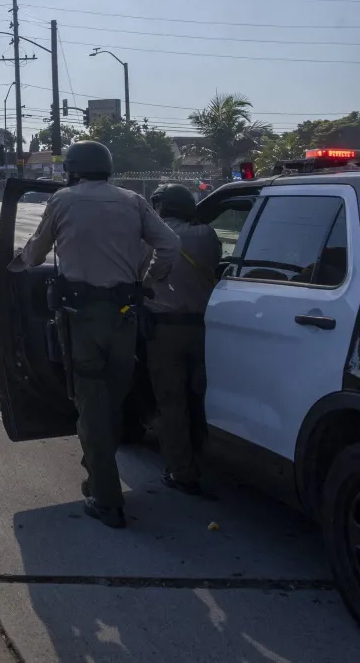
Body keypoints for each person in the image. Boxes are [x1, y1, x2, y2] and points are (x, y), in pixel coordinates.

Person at [10, 140, 180, 528]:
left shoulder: (64, 201)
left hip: (80, 317)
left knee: (90, 404)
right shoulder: (133, 201)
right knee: (113, 400)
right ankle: (97, 470)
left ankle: (106, 498)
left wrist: (18, 261)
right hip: (125, 316)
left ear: (72, 169)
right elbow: (170, 243)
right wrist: (151, 280)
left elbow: (35, 256)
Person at [143, 184, 221, 497]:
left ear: (161, 207)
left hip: (164, 330)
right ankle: (204, 457)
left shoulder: (152, 236)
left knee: (171, 402)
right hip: (204, 329)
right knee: (198, 397)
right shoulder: (207, 235)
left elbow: (141, 277)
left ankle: (182, 471)